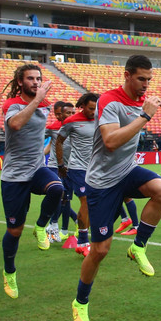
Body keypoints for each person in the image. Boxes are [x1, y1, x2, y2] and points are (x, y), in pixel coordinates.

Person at [71, 54, 161, 321]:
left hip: (127, 171)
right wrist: (145, 116)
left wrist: (143, 113)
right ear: (127, 75)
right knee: (101, 250)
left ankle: (138, 246)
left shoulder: (142, 102)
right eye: (141, 79)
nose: (146, 85)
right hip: (102, 183)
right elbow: (111, 142)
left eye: (149, 80)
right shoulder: (109, 100)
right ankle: (80, 302)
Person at [0, 63, 66, 299]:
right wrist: (37, 100)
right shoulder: (13, 105)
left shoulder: (46, 105)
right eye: (30, 78)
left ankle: (40, 227)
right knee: (14, 231)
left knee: (58, 189)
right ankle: (9, 272)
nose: (36, 82)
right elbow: (15, 125)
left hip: (37, 168)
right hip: (15, 177)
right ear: (20, 82)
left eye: (38, 78)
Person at [56, 92, 99, 256]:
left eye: (96, 109)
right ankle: (82, 241)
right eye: (90, 108)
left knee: (94, 203)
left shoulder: (101, 118)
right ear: (82, 106)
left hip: (96, 168)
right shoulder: (71, 121)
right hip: (78, 168)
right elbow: (59, 141)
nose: (93, 112)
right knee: (85, 201)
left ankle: (88, 236)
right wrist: (61, 164)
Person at [45, 100, 76, 241]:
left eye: (72, 113)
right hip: (55, 166)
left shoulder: (76, 126)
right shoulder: (53, 127)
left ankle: (63, 227)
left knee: (66, 199)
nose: (70, 115)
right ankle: (53, 225)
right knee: (58, 194)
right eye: (67, 113)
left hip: (71, 167)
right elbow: (41, 137)